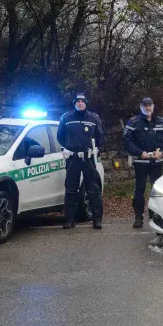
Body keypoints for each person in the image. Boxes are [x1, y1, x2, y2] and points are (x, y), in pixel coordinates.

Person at [57, 92, 105, 230]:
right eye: (77, 101)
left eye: (82, 101)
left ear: (86, 103)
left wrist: (98, 149)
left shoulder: (93, 118)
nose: (80, 103)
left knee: (93, 189)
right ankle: (70, 220)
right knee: (71, 189)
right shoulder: (66, 118)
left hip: (88, 158)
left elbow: (100, 137)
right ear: (74, 104)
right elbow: (60, 136)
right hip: (72, 158)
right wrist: (65, 148)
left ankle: (97, 220)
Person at [122, 96, 163, 229]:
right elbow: (126, 141)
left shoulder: (161, 121)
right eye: (145, 106)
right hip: (141, 162)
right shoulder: (133, 122)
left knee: (158, 190)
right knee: (139, 190)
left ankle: (157, 215)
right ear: (141, 107)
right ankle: (138, 216)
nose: (148, 108)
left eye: (150, 105)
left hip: (157, 161)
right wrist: (139, 152)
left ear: (153, 106)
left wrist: (162, 152)